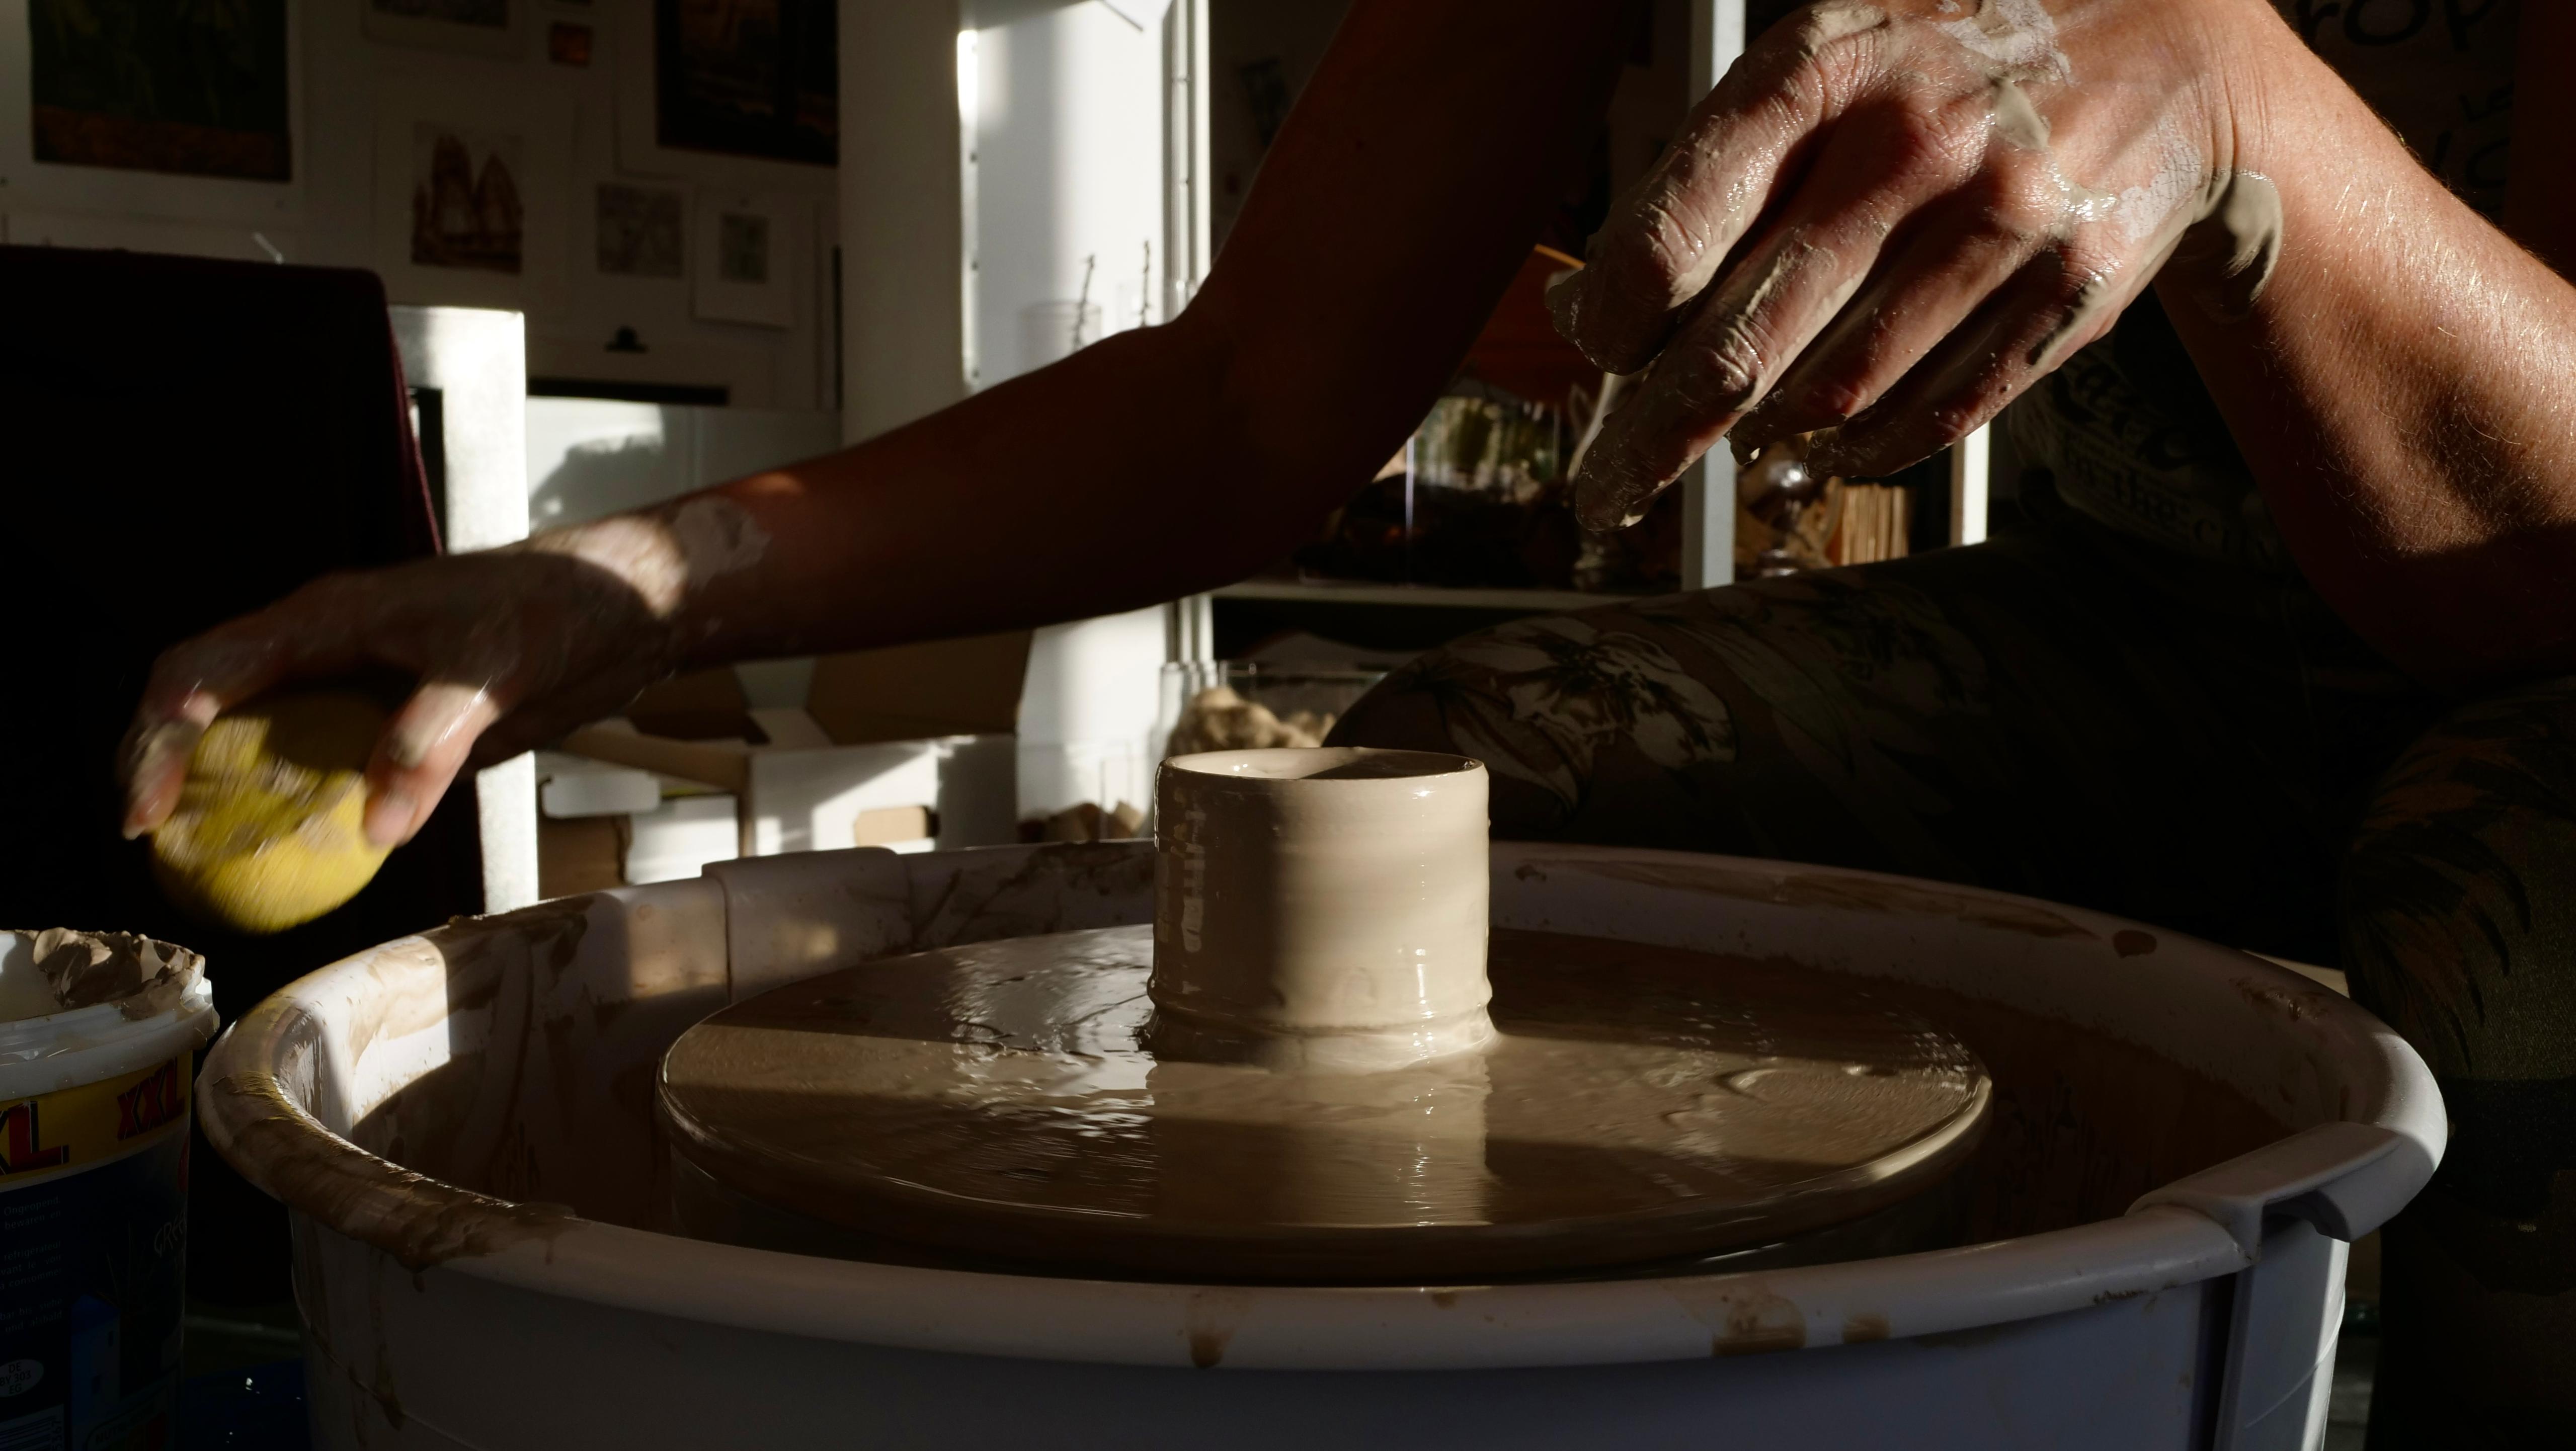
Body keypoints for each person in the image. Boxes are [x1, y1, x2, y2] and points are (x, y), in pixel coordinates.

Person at [121, 2, 2570, 1439]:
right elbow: (1252, 402)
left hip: (2541, 597)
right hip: (2126, 614)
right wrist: (621, 586)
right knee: (1425, 788)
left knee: (2521, 929)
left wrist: (2249, 115)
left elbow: (2507, 576)